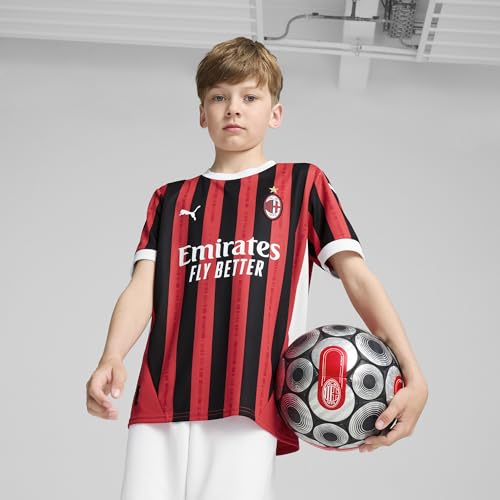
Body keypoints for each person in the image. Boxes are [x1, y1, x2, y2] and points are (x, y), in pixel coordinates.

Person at [85, 36, 428, 499]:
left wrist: (413, 373)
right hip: (162, 395)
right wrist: (111, 356)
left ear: (275, 113)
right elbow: (142, 288)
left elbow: (358, 279)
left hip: (250, 398)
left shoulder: (303, 184)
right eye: (219, 97)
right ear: (202, 113)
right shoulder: (170, 198)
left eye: (250, 97)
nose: (233, 108)